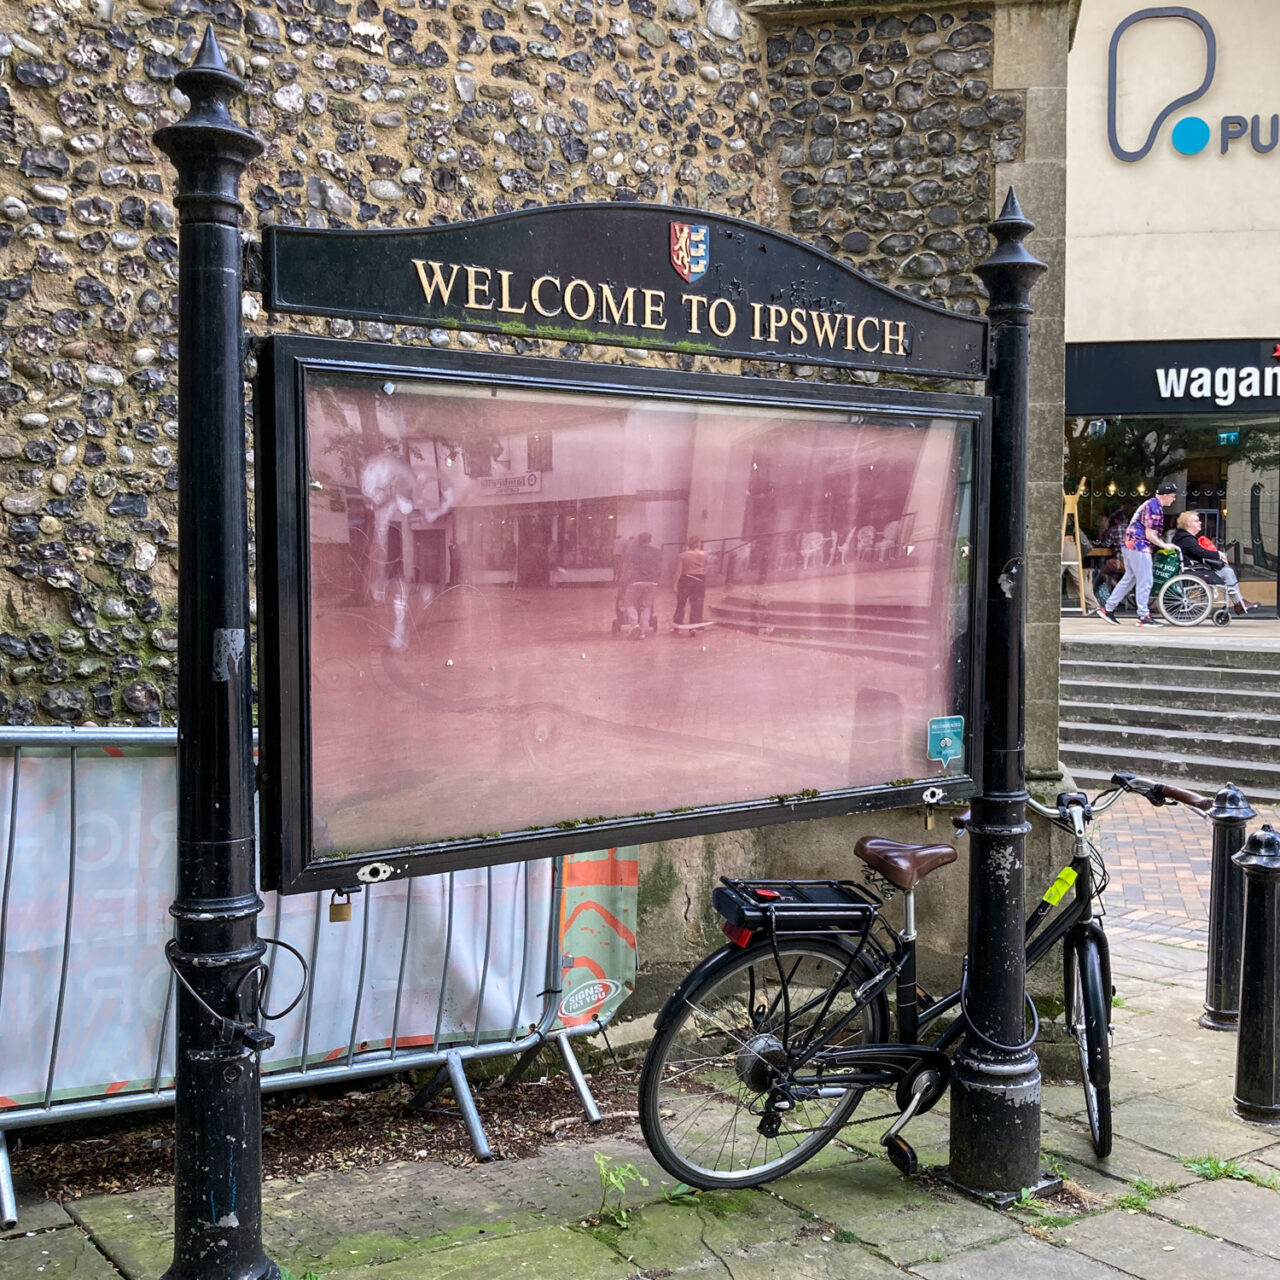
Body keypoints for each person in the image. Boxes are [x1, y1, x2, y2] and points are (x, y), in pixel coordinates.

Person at [1098, 482, 1179, 627]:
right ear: (1165, 495)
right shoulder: (1154, 507)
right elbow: (1149, 534)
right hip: (1139, 546)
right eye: (1172, 496)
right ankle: (1143, 616)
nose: (1173, 499)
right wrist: (1165, 545)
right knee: (1145, 580)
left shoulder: (1151, 504)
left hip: (1130, 545)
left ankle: (1108, 609)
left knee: (1129, 578)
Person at [1170, 511, 1258, 616]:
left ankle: (1239, 603)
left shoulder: (1184, 537)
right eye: (1197, 521)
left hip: (1194, 569)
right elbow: (1201, 553)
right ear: (1189, 524)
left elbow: (1199, 553)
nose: (1200, 523)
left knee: (1226, 570)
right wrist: (1218, 554)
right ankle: (1239, 603)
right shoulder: (1186, 539)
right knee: (1227, 572)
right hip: (1193, 571)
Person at [622, 531, 662, 639]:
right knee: (646, 606)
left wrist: (623, 578)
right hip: (652, 582)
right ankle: (643, 631)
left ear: (639, 540)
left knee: (629, 603)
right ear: (650, 539)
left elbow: (627, 566)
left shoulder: (633, 551)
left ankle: (634, 625)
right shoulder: (657, 551)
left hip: (636, 581)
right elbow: (659, 567)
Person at [672, 535, 708, 634]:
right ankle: (694, 627)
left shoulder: (683, 555)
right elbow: (705, 567)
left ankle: (677, 625)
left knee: (681, 603)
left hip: (686, 579)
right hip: (700, 579)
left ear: (688, 544)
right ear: (699, 543)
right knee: (697, 604)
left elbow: (679, 571)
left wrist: (675, 584)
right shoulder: (705, 554)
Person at [1062, 522, 1099, 614]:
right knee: (1080, 580)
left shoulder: (1056, 516)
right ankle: (1093, 605)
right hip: (1072, 547)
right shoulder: (1071, 518)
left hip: (1062, 546)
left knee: (1051, 578)